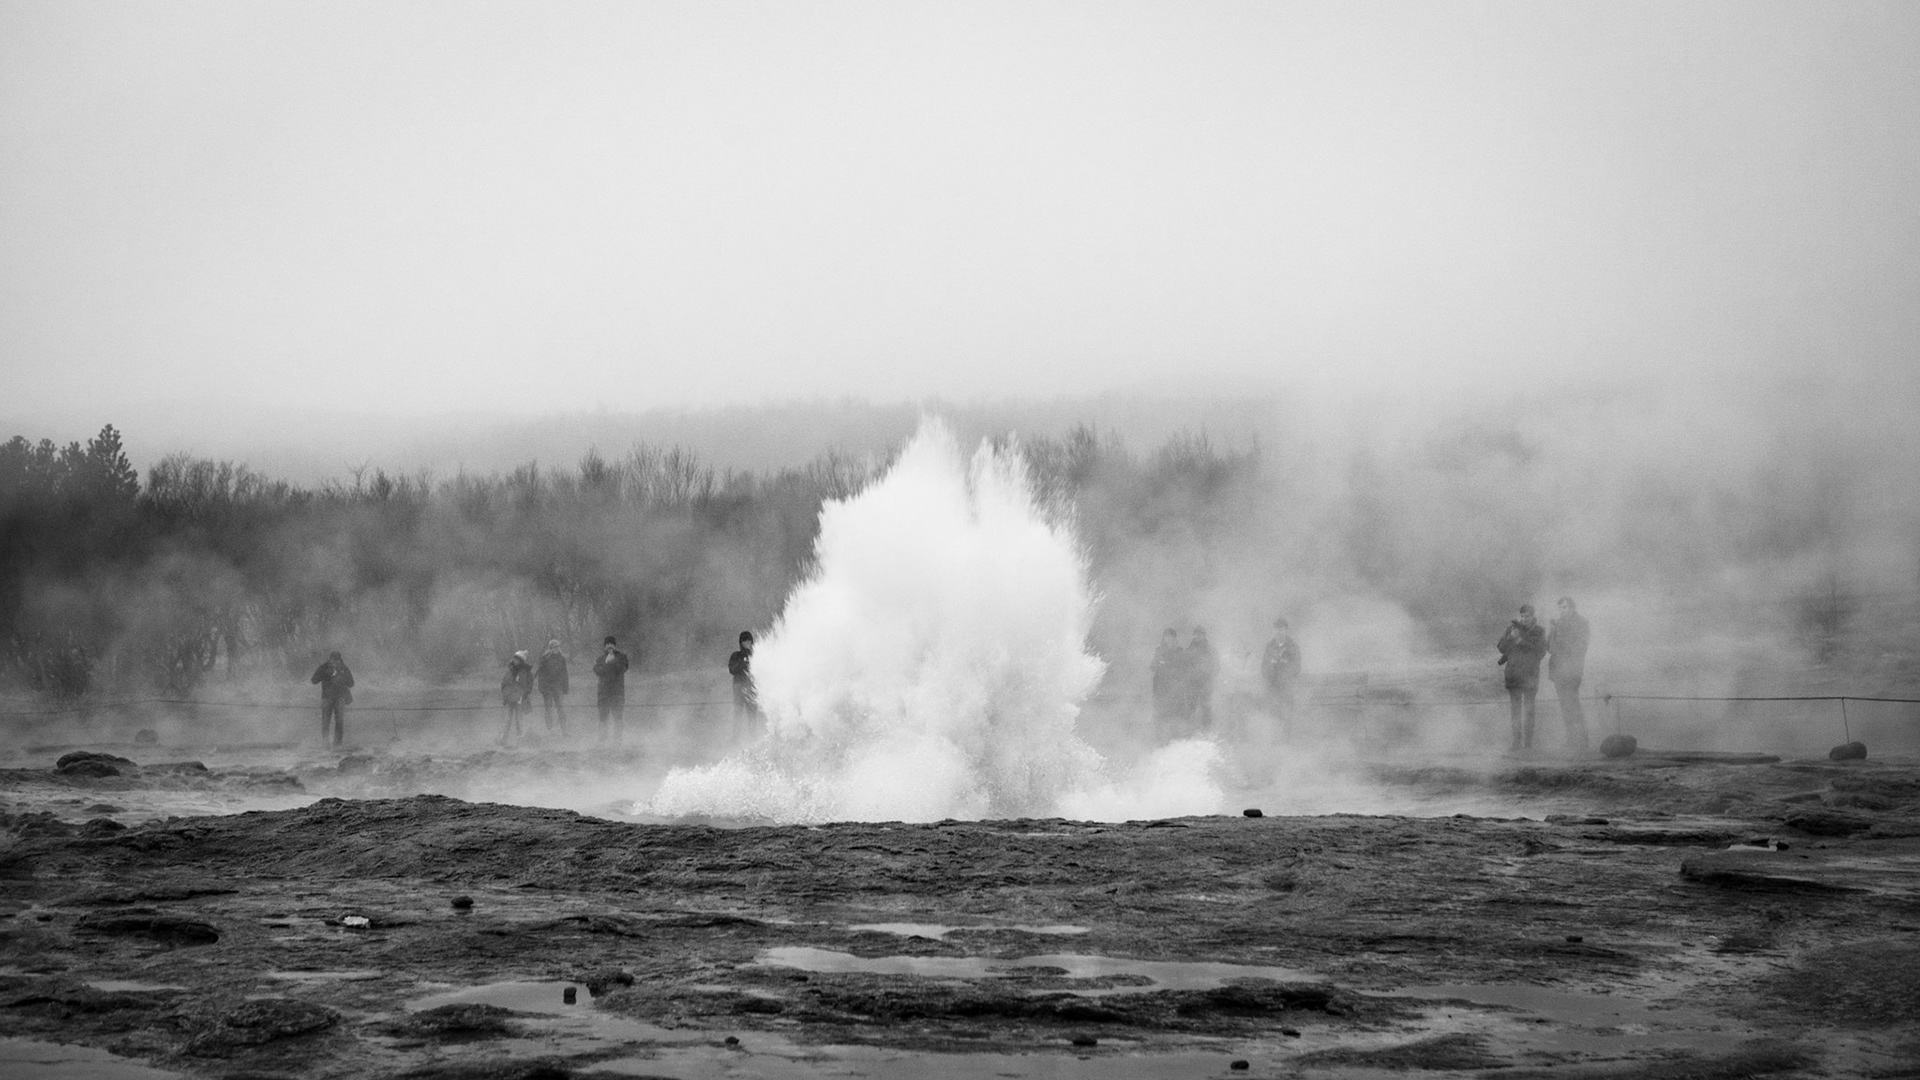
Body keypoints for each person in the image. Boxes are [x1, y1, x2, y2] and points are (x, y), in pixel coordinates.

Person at [1496, 605, 1549, 752]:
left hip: (1530, 676)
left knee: (1529, 711)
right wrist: (1510, 638)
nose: (1524, 619)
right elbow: (1500, 647)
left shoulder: (1539, 632)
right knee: (1515, 712)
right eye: (1522, 616)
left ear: (1533, 616)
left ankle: (1528, 744)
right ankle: (1516, 742)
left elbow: (1540, 652)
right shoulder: (1511, 629)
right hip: (1513, 676)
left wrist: (1519, 641)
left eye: (1527, 616)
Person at [1548, 596, 1591, 751]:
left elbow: (1580, 647)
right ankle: (1572, 739)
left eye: (1565, 607)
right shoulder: (1558, 624)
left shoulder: (1581, 623)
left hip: (1572, 670)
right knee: (1565, 706)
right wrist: (1554, 631)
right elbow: (1550, 647)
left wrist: (1562, 633)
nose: (1562, 611)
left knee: (1573, 704)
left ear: (1573, 608)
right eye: (1560, 608)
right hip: (1559, 670)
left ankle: (1583, 739)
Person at [1261, 618, 1303, 735]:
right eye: (1276, 629)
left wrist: (1286, 676)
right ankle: (1276, 735)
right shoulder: (1269, 646)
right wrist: (1268, 678)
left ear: (1286, 630)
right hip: (1273, 685)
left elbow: (1297, 665)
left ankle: (1287, 735)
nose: (1279, 631)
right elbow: (1264, 665)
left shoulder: (1293, 646)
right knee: (1274, 710)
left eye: (1281, 629)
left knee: (1288, 710)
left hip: (1287, 684)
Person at [310, 651, 354, 748]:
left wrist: (341, 679)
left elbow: (351, 683)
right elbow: (314, 680)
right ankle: (326, 744)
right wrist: (326, 675)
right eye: (332, 660)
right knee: (326, 722)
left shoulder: (343, 668)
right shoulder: (324, 667)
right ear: (330, 659)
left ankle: (337, 745)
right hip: (327, 698)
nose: (334, 662)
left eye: (336, 660)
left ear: (339, 660)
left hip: (339, 698)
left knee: (339, 722)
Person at [592, 636, 630, 743]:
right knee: (603, 718)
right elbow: (597, 671)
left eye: (612, 644)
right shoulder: (600, 659)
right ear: (604, 646)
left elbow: (622, 669)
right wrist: (606, 663)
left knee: (618, 717)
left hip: (617, 692)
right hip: (603, 693)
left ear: (615, 646)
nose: (610, 646)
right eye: (607, 644)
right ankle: (602, 740)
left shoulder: (622, 657)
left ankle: (617, 740)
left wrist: (612, 661)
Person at [1184, 626, 1219, 734]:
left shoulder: (1210, 650)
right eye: (1196, 634)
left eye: (1200, 634)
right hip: (1192, 683)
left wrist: (1209, 676)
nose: (1197, 636)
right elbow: (1184, 666)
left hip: (1206, 683)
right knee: (1191, 707)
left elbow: (1216, 666)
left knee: (1206, 706)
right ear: (1193, 635)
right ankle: (1191, 730)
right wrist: (1189, 677)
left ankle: (1207, 730)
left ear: (1204, 635)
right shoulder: (1189, 649)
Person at [1149, 628, 1184, 737]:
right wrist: (1162, 665)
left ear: (1174, 638)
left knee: (1174, 715)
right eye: (1166, 636)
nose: (1168, 639)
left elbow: (1181, 668)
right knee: (1159, 714)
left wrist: (1166, 665)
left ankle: (1174, 740)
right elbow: (1152, 666)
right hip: (1160, 688)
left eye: (1170, 637)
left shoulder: (1179, 651)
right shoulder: (1159, 650)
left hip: (1174, 689)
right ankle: (1159, 739)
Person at [727, 631, 761, 734]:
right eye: (744, 641)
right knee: (738, 715)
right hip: (739, 690)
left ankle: (753, 737)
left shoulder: (756, 655)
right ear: (741, 643)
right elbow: (732, 670)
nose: (747, 643)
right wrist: (743, 662)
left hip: (751, 690)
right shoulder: (736, 655)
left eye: (749, 641)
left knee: (752, 716)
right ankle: (736, 739)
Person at [500, 649, 533, 746]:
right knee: (507, 720)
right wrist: (505, 696)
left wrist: (523, 695)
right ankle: (504, 739)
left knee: (519, 720)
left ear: (521, 661)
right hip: (509, 699)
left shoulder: (526, 672)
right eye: (515, 658)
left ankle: (519, 740)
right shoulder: (510, 670)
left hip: (520, 699)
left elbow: (529, 686)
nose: (515, 661)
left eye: (517, 659)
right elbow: (504, 684)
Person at [536, 639, 569, 734]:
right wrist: (542, 688)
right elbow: (541, 675)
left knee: (561, 709)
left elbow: (564, 674)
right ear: (550, 648)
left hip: (558, 687)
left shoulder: (562, 658)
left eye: (558, 646)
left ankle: (564, 730)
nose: (557, 648)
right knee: (548, 709)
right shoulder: (545, 658)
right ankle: (549, 730)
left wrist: (565, 688)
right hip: (547, 688)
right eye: (555, 647)